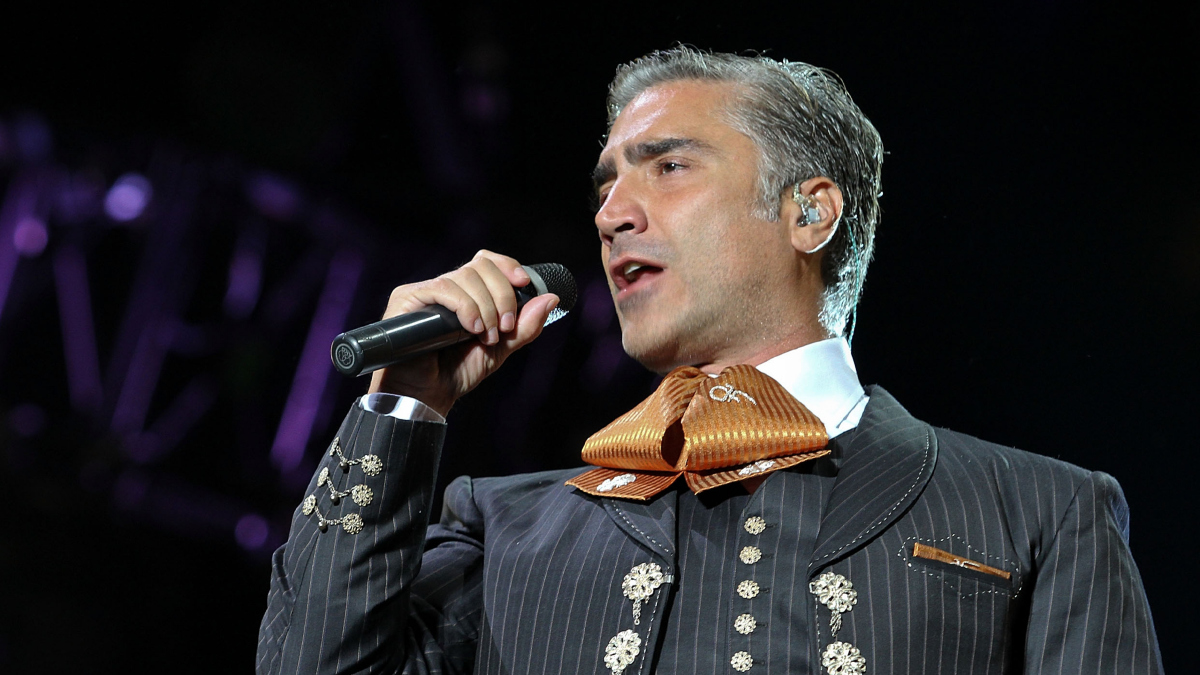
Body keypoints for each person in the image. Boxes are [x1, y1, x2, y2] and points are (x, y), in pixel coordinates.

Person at [257, 47, 1162, 675]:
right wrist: (403, 407)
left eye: (667, 167)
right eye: (607, 183)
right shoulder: (503, 525)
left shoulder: (1040, 510)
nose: (612, 212)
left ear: (809, 212)